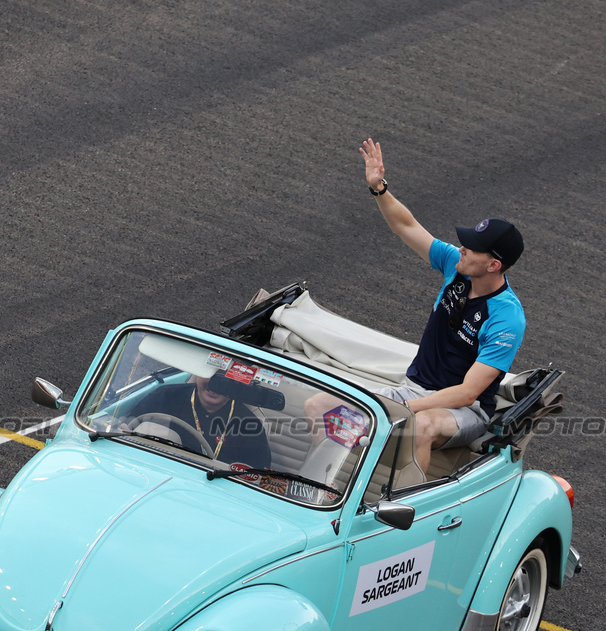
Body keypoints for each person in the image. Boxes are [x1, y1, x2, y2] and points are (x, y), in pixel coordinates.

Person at [308, 138, 527, 476]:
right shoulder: (456, 265)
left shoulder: (506, 317)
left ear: (494, 265)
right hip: (412, 389)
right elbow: (407, 225)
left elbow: (468, 393)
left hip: (462, 411)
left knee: (419, 426)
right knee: (319, 404)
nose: (462, 248)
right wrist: (379, 188)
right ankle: (321, 483)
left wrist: (405, 409)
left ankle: (408, 515)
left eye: (472, 247)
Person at [125, 374, 272, 469]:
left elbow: (257, 480)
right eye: (210, 374)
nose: (215, 384)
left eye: (225, 378)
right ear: (197, 373)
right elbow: (125, 434)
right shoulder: (164, 397)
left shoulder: (250, 426)